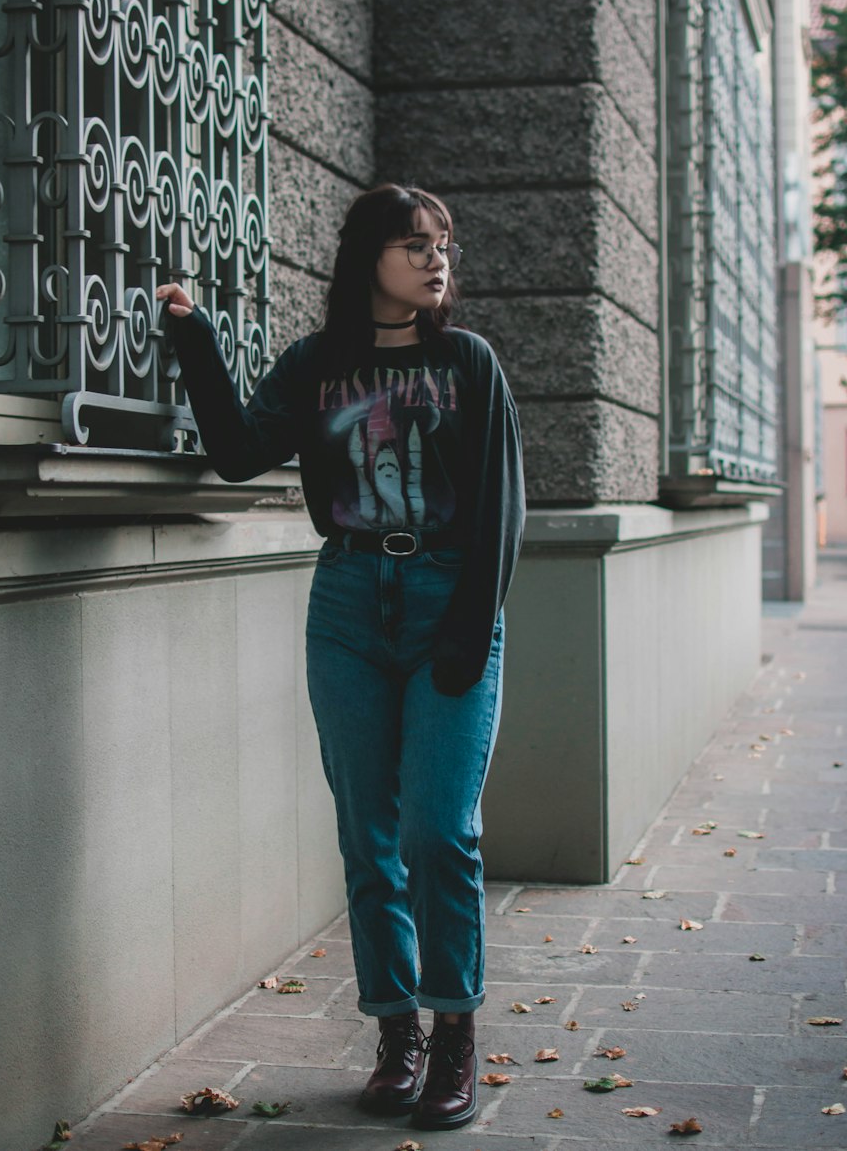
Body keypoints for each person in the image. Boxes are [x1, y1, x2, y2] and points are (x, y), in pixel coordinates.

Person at [157, 183, 524, 1131]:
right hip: (351, 602)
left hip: (449, 596)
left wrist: (467, 629)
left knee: (440, 831)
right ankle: (395, 1035)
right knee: (367, 833)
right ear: (368, 258)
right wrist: (195, 339)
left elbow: (500, 511)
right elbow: (238, 452)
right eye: (415, 244)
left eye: (445, 244)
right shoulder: (318, 366)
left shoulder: (469, 364)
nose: (438, 260)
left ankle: (454, 1035)